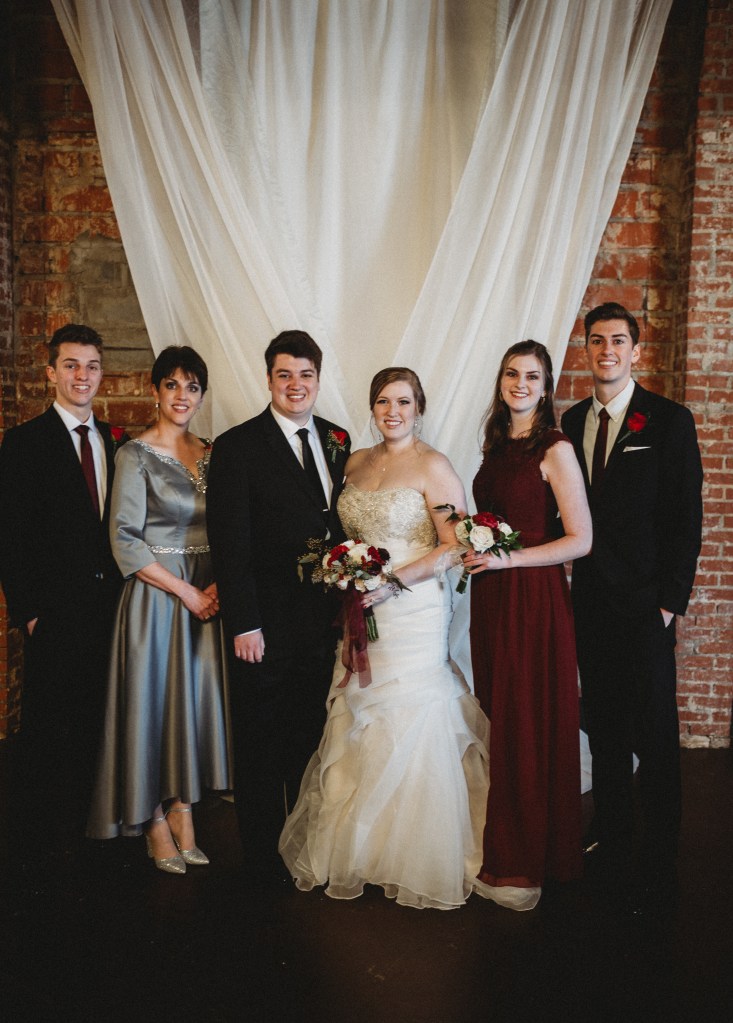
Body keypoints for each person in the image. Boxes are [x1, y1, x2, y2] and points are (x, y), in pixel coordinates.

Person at [278, 367, 490, 910]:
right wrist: (347, 573)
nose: (392, 412)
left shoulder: (434, 466)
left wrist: (391, 583)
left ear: (419, 408)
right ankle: (360, 849)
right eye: (382, 402)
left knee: (407, 709)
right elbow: (344, 535)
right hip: (360, 605)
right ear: (372, 408)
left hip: (413, 607)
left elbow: (453, 547)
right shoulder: (355, 463)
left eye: (403, 402)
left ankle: (414, 851)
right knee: (359, 707)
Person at [561, 303, 703, 890]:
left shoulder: (668, 421)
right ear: (586, 350)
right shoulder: (572, 421)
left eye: (618, 340)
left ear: (635, 351)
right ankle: (613, 830)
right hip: (591, 603)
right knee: (605, 725)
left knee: (655, 730)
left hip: (647, 606)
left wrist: (669, 604)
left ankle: (661, 847)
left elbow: (686, 519)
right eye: (597, 341)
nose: (607, 351)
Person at [206, 330, 351, 882]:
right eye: (284, 374)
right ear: (268, 379)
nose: (296, 385)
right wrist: (244, 622)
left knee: (308, 738)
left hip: (320, 622)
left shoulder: (337, 439)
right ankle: (263, 861)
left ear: (318, 378)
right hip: (263, 624)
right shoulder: (237, 446)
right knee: (261, 741)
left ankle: (303, 846)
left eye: (305, 374)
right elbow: (229, 543)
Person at [87, 346, 232, 874]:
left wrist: (217, 584)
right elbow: (124, 539)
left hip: (208, 593)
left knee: (189, 707)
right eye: (172, 385)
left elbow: (230, 526)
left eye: (192, 387)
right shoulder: (135, 454)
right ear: (155, 391)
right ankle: (150, 819)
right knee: (150, 707)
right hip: (157, 597)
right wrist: (187, 593)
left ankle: (183, 810)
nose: (182, 396)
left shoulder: (213, 452)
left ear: (202, 395)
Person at [467, 340, 592, 911]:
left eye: (533, 376)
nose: (521, 383)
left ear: (545, 387)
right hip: (492, 597)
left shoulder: (554, 447)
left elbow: (581, 540)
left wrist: (507, 560)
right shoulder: (497, 445)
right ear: (501, 382)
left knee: (526, 720)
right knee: (503, 714)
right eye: (512, 374)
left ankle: (525, 858)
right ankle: (519, 837)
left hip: (533, 599)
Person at [0, 324, 122, 868]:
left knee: (101, 721)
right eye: (71, 365)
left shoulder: (115, 441)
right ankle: (43, 845)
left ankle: (96, 832)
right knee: (50, 726)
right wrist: (28, 613)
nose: (82, 376)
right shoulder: (24, 442)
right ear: (51, 372)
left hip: (111, 609)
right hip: (54, 614)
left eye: (91, 366)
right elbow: (10, 535)